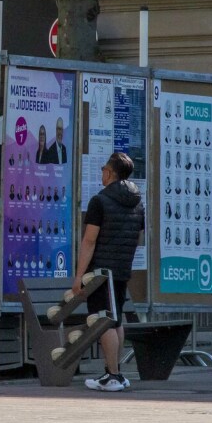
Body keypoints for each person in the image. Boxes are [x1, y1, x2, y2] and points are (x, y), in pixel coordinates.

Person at [74, 152, 145, 393]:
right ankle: (114, 373)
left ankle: (113, 375)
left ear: (110, 173)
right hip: (122, 269)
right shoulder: (137, 201)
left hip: (100, 272)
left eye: (104, 168)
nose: (101, 172)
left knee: (103, 321)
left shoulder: (100, 201)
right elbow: (138, 238)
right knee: (116, 320)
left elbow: (89, 241)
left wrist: (78, 277)